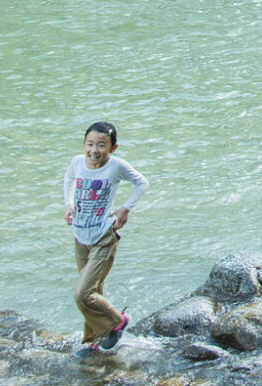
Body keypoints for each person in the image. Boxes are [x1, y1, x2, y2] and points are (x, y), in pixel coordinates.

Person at [63, 122, 149, 356]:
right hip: (80, 236)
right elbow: (69, 180)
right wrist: (68, 204)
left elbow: (142, 183)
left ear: (113, 148)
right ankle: (97, 338)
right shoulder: (77, 162)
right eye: (90, 144)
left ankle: (117, 321)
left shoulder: (116, 166)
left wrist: (125, 208)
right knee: (95, 290)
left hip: (104, 237)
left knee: (83, 292)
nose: (94, 151)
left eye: (101, 145)